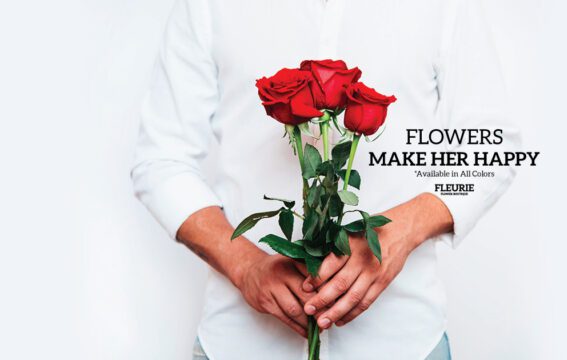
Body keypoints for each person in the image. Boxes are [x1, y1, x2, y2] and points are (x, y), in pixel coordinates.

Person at [131, 0, 520, 359]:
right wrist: (243, 264)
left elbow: (494, 146)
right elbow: (162, 158)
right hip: (240, 344)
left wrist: (402, 230)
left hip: (403, 343)